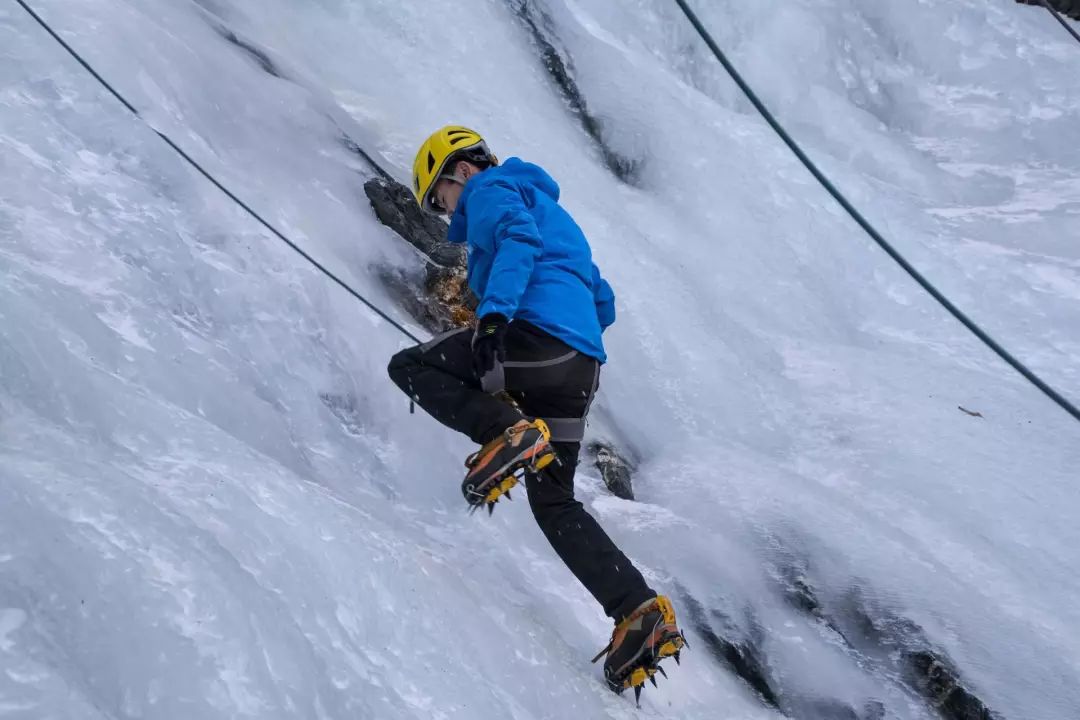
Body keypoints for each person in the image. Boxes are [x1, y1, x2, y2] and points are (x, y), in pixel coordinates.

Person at [387, 126, 685, 699]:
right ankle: (638, 611)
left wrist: (495, 318)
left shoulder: (492, 190)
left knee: (409, 366)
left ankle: (508, 431)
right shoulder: (554, 214)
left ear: (461, 173)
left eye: (439, 198)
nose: (446, 215)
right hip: (580, 366)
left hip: (536, 337)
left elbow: (517, 240)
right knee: (555, 501)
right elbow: (603, 300)